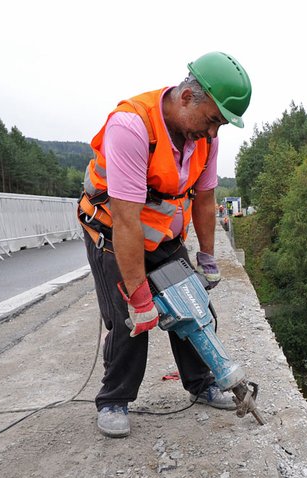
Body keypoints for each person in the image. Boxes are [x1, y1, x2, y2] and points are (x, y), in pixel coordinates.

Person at [77, 51, 252, 438]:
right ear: (188, 97)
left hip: (166, 239)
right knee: (131, 321)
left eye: (220, 126)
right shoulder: (132, 126)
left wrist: (207, 258)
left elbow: (205, 201)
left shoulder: (205, 139)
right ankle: (114, 399)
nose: (212, 133)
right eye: (212, 121)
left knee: (195, 306)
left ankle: (201, 382)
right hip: (114, 235)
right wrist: (140, 296)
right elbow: (125, 218)